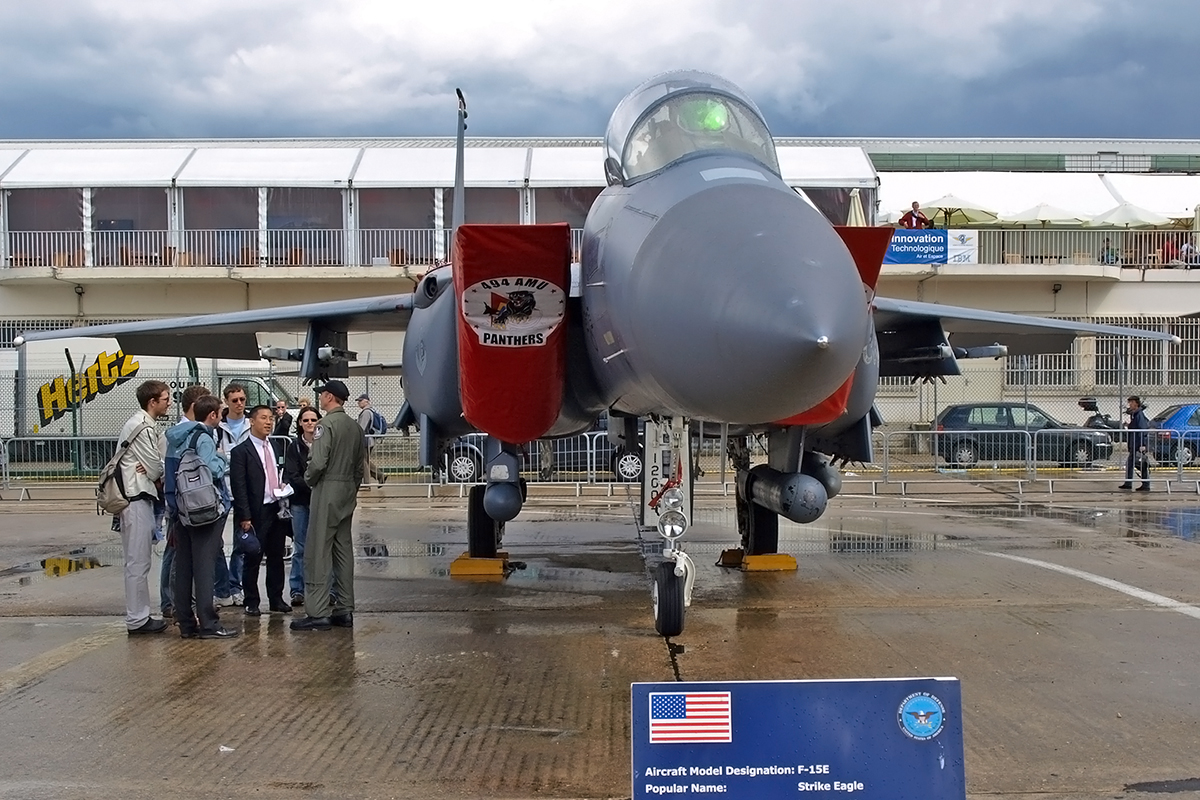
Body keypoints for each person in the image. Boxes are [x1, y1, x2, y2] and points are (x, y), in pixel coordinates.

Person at [292, 379, 365, 631]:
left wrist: (308, 479)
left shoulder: (325, 425)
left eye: (322, 395)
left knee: (317, 550)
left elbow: (319, 462)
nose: (320, 398)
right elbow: (359, 467)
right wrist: (351, 488)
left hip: (328, 487)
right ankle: (345, 608)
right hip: (347, 489)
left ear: (330, 397)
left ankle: (318, 610)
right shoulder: (355, 427)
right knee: (343, 549)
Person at [165, 394, 239, 640]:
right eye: (220, 412)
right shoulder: (204, 437)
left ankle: (186, 621)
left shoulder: (176, 437)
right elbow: (213, 470)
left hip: (180, 507)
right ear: (213, 415)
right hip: (203, 510)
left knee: (184, 566)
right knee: (205, 567)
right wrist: (222, 456)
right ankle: (209, 623)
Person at [117, 380, 171, 635]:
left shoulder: (141, 424)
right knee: (138, 562)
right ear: (152, 402)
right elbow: (155, 467)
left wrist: (152, 468)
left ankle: (139, 616)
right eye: (165, 398)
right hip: (136, 497)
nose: (168, 402)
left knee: (137, 561)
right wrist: (155, 469)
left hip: (137, 497)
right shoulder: (142, 426)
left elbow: (151, 466)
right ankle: (138, 619)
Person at [230, 404, 293, 616]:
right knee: (253, 557)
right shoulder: (242, 451)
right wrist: (245, 516)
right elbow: (239, 486)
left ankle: (276, 598)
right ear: (252, 421)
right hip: (256, 512)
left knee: (276, 556)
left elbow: (277, 471)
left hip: (276, 507)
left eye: (271, 419)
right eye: (264, 418)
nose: (268, 422)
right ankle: (251, 601)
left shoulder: (273, 447)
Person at [217, 383, 252, 607]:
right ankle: (221, 587)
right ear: (226, 402)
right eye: (235, 400)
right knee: (214, 542)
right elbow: (216, 456)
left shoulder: (251, 424)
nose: (239, 404)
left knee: (242, 542)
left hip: (244, 490)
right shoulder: (217, 427)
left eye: (242, 399)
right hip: (222, 487)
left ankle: (236, 586)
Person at [283, 406, 321, 606]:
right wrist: (310, 486)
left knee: (323, 546)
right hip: (300, 502)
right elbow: (292, 474)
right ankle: (297, 589)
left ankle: (325, 588)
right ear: (300, 423)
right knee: (300, 546)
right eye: (305, 420)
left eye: (313, 420)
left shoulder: (324, 444)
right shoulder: (294, 447)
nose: (309, 423)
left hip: (320, 502)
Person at [1119, 396, 1152, 491]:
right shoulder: (1134, 415)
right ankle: (1129, 482)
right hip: (1134, 444)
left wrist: (1143, 444)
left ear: (1136, 403)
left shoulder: (1139, 415)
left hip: (1137, 444)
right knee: (1131, 463)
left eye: (1131, 402)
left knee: (1141, 464)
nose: (1130, 405)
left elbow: (1142, 430)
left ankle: (1145, 484)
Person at [356, 393, 387, 485]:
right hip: (369, 440)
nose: (358, 403)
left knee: (363, 461)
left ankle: (366, 483)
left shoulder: (366, 412)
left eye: (360, 401)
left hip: (365, 441)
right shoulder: (372, 411)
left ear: (366, 401)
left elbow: (362, 428)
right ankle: (380, 476)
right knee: (366, 460)